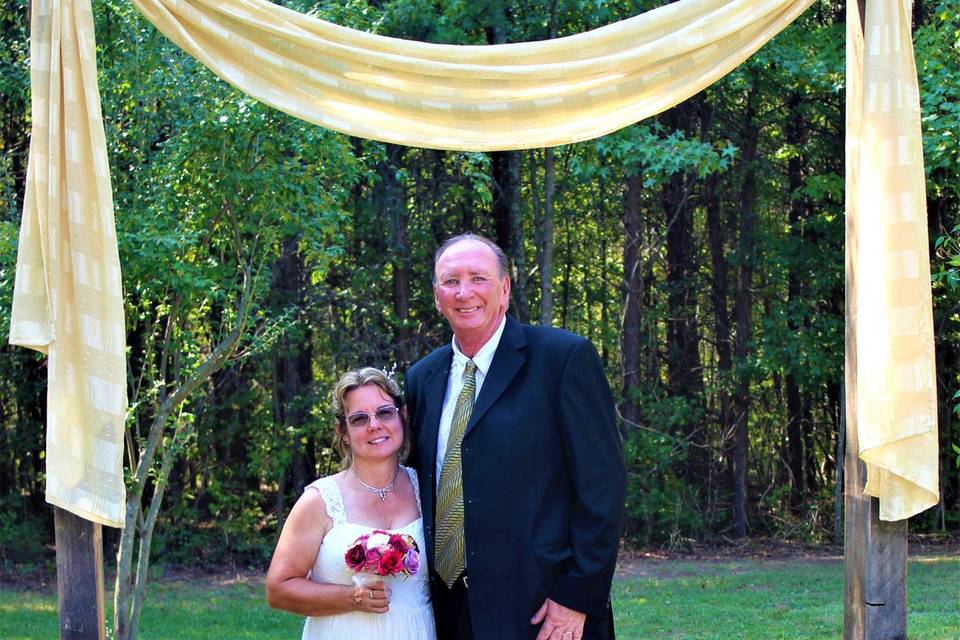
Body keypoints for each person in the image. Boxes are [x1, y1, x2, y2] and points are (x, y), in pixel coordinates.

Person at [405, 233, 626, 640]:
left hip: (542, 609)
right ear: (437, 297)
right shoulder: (422, 379)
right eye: (450, 281)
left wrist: (577, 596)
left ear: (504, 289)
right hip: (448, 611)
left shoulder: (562, 359)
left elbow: (603, 487)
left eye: (478, 278)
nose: (464, 291)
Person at [266, 367, 437, 640]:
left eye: (384, 412)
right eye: (359, 419)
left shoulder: (427, 490)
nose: (374, 425)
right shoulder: (319, 500)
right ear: (342, 431)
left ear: (402, 415)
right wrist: (351, 597)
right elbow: (278, 590)